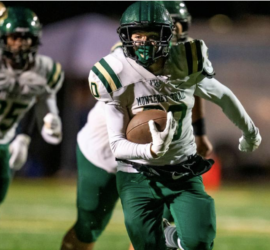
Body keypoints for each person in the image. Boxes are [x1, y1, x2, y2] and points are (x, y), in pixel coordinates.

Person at [89, 2, 261, 250]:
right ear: (126, 37)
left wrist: (250, 131)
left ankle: (173, 238)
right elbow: (117, 144)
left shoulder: (185, 61)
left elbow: (223, 96)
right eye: (138, 36)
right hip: (137, 174)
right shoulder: (115, 73)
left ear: (167, 36)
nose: (144, 42)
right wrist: (149, 151)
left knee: (199, 243)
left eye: (152, 35)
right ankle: (165, 238)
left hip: (182, 170)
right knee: (147, 246)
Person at [60, 2, 214, 250]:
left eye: (177, 25)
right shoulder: (127, 54)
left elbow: (192, 93)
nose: (174, 32)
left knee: (151, 233)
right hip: (104, 152)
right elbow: (139, 120)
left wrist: (199, 132)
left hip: (154, 158)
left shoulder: (187, 56)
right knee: (89, 227)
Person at [0, 6, 63, 206]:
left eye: (25, 38)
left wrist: (24, 137)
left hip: (5, 138)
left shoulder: (46, 70)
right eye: (14, 38)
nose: (20, 44)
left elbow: (44, 111)